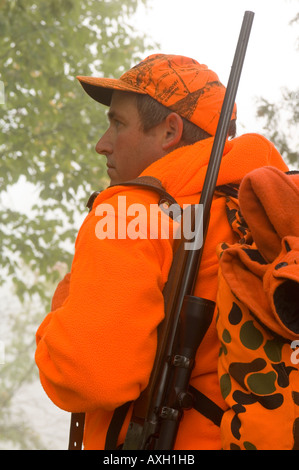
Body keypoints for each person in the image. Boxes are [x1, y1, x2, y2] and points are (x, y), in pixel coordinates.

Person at [35, 54, 288, 450]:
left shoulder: (130, 212)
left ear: (170, 131)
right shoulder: (265, 216)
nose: (103, 146)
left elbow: (88, 377)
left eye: (118, 124)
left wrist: (62, 305)